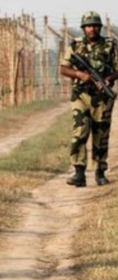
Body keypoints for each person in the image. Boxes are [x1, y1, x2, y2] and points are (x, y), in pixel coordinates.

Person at [60, 11, 118, 187]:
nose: (92, 29)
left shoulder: (110, 45)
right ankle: (79, 172)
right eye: (88, 26)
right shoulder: (75, 45)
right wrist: (79, 74)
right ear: (83, 28)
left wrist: (108, 79)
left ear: (99, 27)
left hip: (102, 97)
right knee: (80, 132)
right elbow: (64, 68)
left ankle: (100, 172)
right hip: (81, 95)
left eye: (95, 26)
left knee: (101, 134)